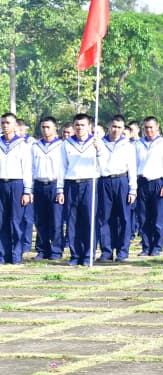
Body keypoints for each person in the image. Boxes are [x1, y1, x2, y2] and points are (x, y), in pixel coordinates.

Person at [92, 116, 136, 262]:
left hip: (122, 180)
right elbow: (96, 166)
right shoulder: (99, 143)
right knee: (105, 217)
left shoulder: (128, 146)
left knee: (124, 217)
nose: (116, 130)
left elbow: (132, 168)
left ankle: (122, 251)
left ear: (123, 129)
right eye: (114, 126)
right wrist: (97, 151)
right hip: (105, 181)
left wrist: (132, 189)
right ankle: (106, 251)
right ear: (109, 126)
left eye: (119, 127)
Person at [62, 114, 99, 266]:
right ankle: (75, 254)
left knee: (89, 220)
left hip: (90, 183)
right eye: (77, 125)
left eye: (83, 125)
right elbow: (62, 166)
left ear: (89, 127)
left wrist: (100, 150)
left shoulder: (96, 143)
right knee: (73, 220)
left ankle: (89, 254)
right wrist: (60, 189)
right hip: (71, 183)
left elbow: (103, 164)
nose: (79, 128)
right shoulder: (67, 143)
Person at [134, 117, 163, 257]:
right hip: (142, 183)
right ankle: (146, 246)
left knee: (157, 217)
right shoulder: (138, 144)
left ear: (157, 127)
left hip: (157, 182)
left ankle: (157, 246)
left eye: (151, 127)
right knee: (143, 217)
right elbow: (135, 164)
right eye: (146, 128)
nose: (148, 130)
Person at [30, 117, 64, 261]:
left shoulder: (62, 146)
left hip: (55, 185)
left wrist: (61, 189)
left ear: (55, 128)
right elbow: (30, 168)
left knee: (56, 220)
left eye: (48, 127)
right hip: (39, 185)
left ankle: (56, 250)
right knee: (40, 220)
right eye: (43, 127)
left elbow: (63, 169)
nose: (45, 130)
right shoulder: (35, 146)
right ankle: (43, 249)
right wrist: (30, 189)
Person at [0, 113, 32, 264]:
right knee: (1, 221)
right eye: (3, 123)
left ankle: (16, 254)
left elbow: (27, 169)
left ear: (14, 126)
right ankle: (2, 254)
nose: (5, 126)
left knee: (16, 221)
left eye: (8, 123)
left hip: (16, 184)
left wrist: (27, 190)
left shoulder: (21, 144)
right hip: (1, 183)